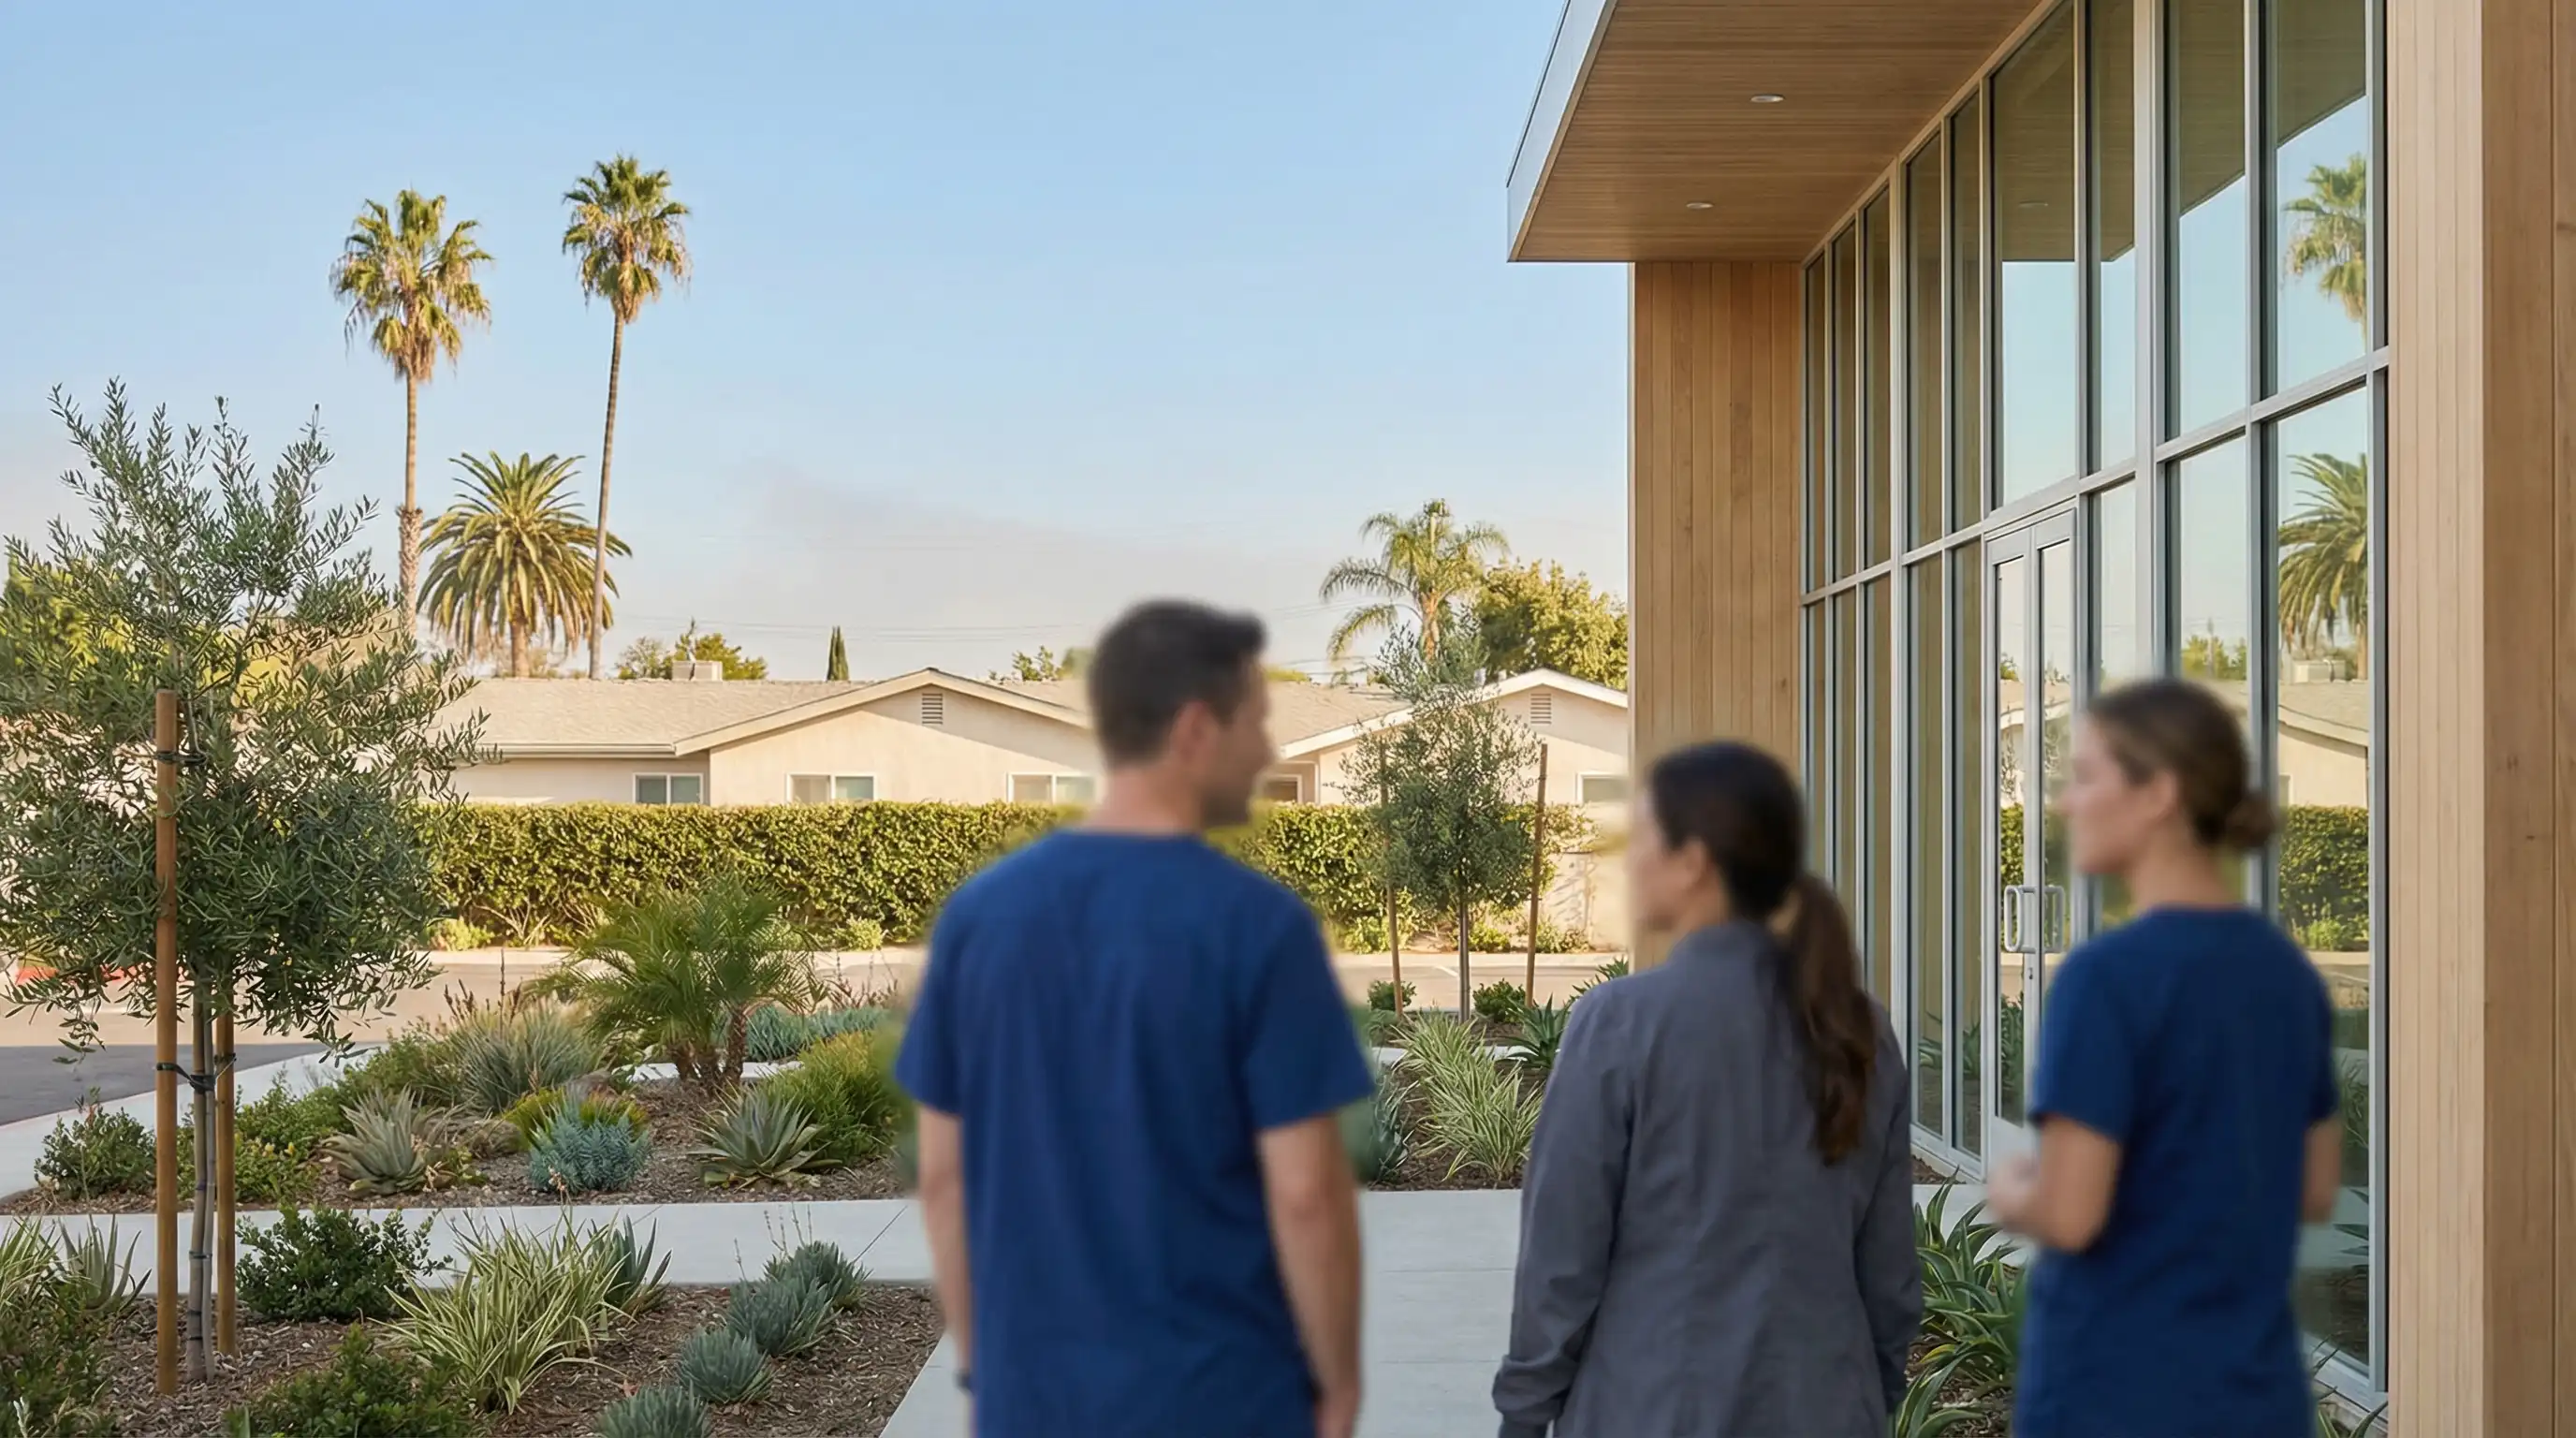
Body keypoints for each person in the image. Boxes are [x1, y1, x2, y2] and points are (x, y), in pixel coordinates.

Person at [894, 599, 1376, 1438]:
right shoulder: (1260, 928)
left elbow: (944, 1178)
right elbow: (1307, 1196)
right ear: (1195, 729)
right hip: (1227, 1401)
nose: (1266, 753)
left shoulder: (977, 920)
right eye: (1255, 724)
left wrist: (985, 1372)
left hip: (1034, 1404)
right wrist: (1336, 1386)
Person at [1492, 741, 1920, 1438]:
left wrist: (1524, 1413)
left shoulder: (1620, 1023)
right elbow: (1889, 1271)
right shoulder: (1858, 1027)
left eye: (1642, 838)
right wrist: (1866, 1389)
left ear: (1694, 861)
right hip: (1825, 1403)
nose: (1629, 860)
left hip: (1651, 1406)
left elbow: (1562, 1257)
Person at [1988, 678, 2342, 1437]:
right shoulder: (2288, 976)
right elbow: (2313, 1189)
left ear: (2158, 796)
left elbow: (2073, 1214)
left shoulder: (2105, 979)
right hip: (2256, 1398)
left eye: (2084, 777)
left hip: (2114, 1395)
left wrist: (2016, 1190)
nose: (2063, 802)